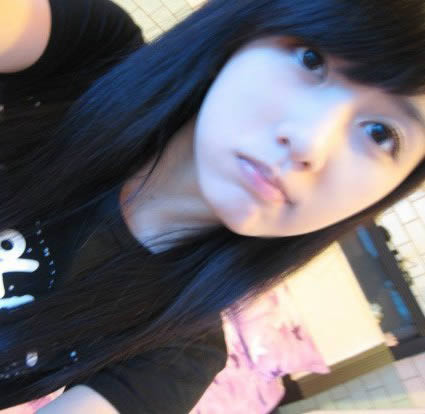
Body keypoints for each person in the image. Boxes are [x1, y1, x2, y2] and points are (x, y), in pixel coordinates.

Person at [0, 0, 424, 412]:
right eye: (310, 59)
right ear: (242, 31)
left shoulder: (176, 354)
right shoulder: (90, 51)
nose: (309, 143)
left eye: (380, 134)